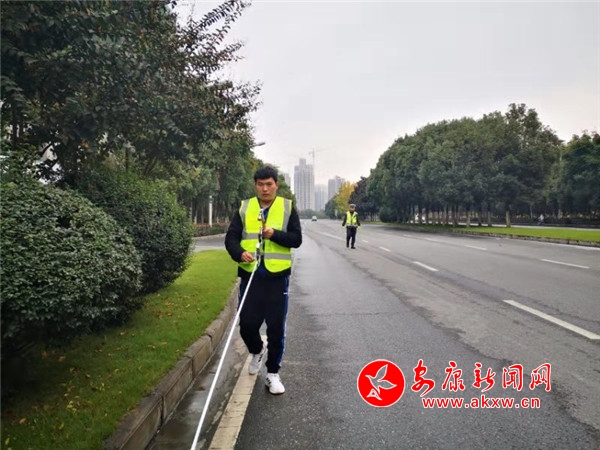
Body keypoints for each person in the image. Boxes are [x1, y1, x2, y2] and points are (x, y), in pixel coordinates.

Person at [225, 166, 302, 395]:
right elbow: (231, 238)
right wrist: (240, 253)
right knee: (247, 325)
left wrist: (274, 234)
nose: (265, 188)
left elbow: (296, 239)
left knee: (276, 327)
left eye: (269, 184)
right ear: (255, 185)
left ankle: (273, 373)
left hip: (277, 279)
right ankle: (257, 350)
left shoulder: (287, 207)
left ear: (276, 185)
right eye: (260, 184)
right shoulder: (245, 207)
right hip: (251, 276)